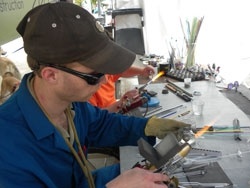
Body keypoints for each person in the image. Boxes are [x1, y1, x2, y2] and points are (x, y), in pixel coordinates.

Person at [0, 2, 190, 188]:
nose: (104, 81)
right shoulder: (7, 148)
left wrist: (148, 127)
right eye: (94, 75)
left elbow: (101, 125)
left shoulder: (71, 102)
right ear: (51, 75)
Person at [88, 65, 155, 113]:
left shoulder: (106, 69)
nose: (106, 80)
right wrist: (121, 102)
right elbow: (94, 117)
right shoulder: (87, 91)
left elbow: (121, 71)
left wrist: (142, 71)